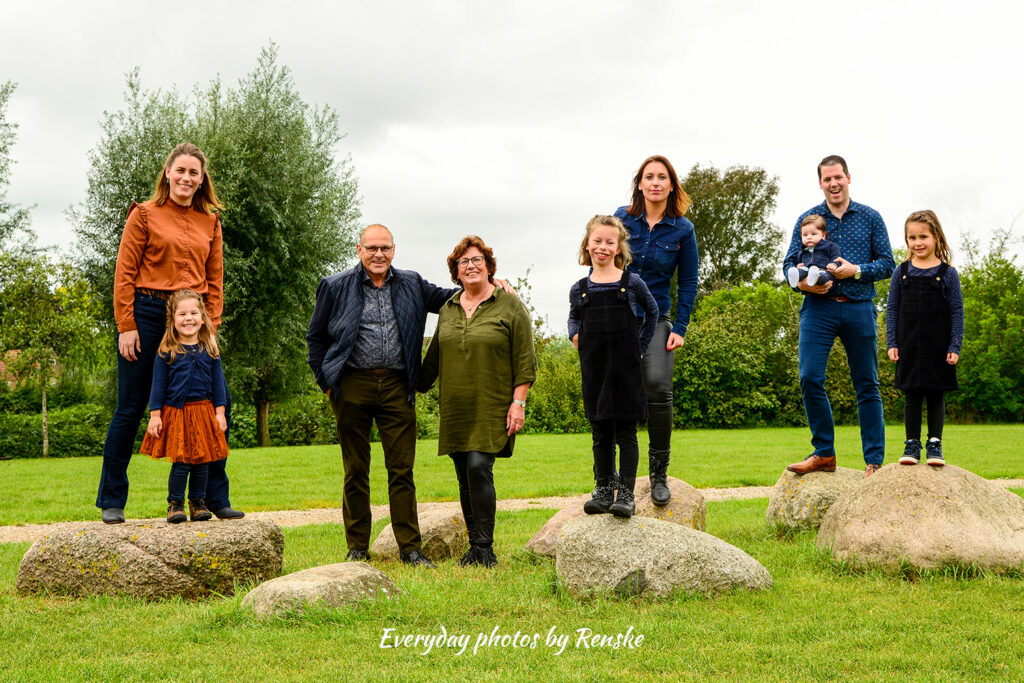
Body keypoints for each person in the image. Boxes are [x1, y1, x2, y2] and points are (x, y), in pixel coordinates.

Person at [96, 143, 243, 524]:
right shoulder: (143, 215)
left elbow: (215, 280)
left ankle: (214, 499)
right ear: (167, 173)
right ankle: (112, 500)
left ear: (201, 180)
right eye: (180, 171)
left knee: (209, 407)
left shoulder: (211, 223)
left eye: (194, 173)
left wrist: (211, 325)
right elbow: (124, 275)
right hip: (146, 313)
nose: (186, 178)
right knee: (130, 407)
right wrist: (126, 326)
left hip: (193, 317)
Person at [306, 225, 464, 567]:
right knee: (356, 470)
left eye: (386, 249)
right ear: (359, 249)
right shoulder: (334, 286)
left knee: (402, 471)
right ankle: (358, 548)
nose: (379, 255)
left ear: (394, 250)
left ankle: (410, 549)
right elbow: (315, 340)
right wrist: (328, 383)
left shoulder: (412, 283)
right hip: (351, 386)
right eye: (372, 248)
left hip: (397, 386)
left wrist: (488, 285)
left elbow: (451, 298)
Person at [418, 236, 536, 567]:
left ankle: (485, 549)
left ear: (488, 266)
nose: (471, 266)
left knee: (478, 467)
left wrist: (519, 403)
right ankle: (474, 547)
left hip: (493, 405)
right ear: (455, 271)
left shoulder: (510, 305)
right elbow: (431, 363)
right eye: (463, 262)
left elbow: (525, 359)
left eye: (477, 260)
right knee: (463, 474)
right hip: (457, 407)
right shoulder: (448, 308)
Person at [784, 155, 895, 478]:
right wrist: (805, 285)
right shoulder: (808, 219)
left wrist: (857, 271)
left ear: (848, 178)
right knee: (809, 378)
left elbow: (887, 263)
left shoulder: (870, 217)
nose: (833, 184)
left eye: (838, 178)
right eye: (827, 179)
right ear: (820, 183)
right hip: (818, 309)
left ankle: (874, 461)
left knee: (867, 384)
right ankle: (824, 453)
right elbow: (788, 264)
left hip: (859, 306)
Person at [613, 155, 699, 505]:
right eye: (649, 177)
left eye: (662, 177)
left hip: (658, 319)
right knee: (618, 396)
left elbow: (689, 281)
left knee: (659, 388)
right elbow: (601, 258)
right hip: (617, 318)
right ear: (639, 183)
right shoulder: (621, 218)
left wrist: (679, 326)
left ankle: (659, 475)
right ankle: (615, 480)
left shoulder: (683, 229)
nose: (655, 183)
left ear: (671, 185)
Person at [568, 216, 658, 518]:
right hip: (595, 372)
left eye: (609, 242)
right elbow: (574, 318)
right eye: (597, 241)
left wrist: (641, 348)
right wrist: (573, 333)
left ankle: (627, 495)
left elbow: (653, 312)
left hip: (626, 371)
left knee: (626, 434)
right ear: (587, 244)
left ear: (619, 247)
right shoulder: (579, 288)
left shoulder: (630, 282)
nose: (602, 247)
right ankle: (604, 489)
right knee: (600, 434)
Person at [141, 290, 229, 523]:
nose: (188, 318)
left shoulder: (210, 350)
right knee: (182, 462)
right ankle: (175, 504)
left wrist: (220, 412)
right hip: (177, 414)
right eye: (182, 314)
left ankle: (198, 503)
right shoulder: (167, 352)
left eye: (193, 313)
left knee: (202, 461)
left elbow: (219, 385)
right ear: (173, 319)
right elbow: (157, 387)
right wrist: (155, 416)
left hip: (204, 412)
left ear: (202, 318)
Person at [886, 210, 963, 467]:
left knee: (935, 395)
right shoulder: (902, 272)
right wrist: (892, 342)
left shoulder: (947, 273)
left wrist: (955, 345)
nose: (917, 243)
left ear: (936, 237)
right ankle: (911, 444)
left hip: (938, 346)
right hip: (908, 344)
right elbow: (893, 309)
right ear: (907, 240)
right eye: (912, 238)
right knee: (912, 396)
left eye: (923, 236)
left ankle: (934, 444)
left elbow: (956, 311)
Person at [786, 215, 844, 289]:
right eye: (805, 235)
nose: (809, 237)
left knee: (824, 276)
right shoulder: (802, 250)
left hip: (824, 269)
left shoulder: (830, 246)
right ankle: (795, 276)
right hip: (806, 269)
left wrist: (834, 264)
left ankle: (816, 277)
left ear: (823, 235)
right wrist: (798, 265)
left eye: (813, 234)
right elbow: (798, 260)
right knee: (801, 271)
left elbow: (837, 257)